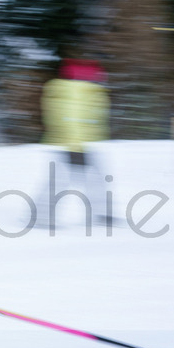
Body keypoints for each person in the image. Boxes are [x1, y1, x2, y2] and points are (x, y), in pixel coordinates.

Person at [36, 58, 113, 229]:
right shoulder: (76, 91)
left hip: (81, 144)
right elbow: (71, 119)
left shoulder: (87, 91)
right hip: (70, 145)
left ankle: (103, 213)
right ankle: (41, 217)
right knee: (60, 181)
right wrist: (75, 145)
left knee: (95, 179)